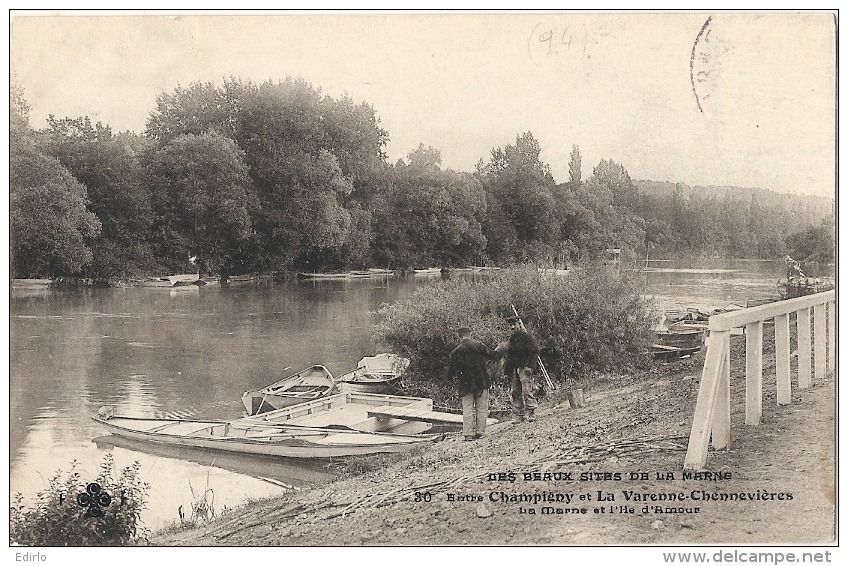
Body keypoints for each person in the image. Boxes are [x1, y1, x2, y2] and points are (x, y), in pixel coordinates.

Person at [446, 326, 497, 441]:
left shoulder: (455, 352)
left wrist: (454, 379)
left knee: (467, 409)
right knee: (482, 408)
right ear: (470, 334)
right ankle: (480, 432)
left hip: (465, 384)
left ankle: (468, 434)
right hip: (481, 381)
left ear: (459, 336)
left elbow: (450, 373)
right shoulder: (479, 345)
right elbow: (493, 355)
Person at [504, 315, 540, 423]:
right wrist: (507, 372)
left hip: (524, 368)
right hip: (515, 369)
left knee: (527, 390)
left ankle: (532, 412)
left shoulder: (526, 337)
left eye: (513, 324)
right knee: (515, 392)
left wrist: (530, 366)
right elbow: (509, 356)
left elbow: (534, 352)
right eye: (510, 325)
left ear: (519, 324)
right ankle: (519, 415)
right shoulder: (512, 339)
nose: (512, 327)